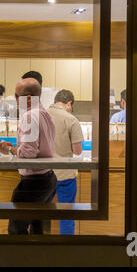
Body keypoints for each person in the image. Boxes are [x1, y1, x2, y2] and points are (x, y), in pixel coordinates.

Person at [0, 78, 57, 235]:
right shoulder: (45, 114)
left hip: (33, 184)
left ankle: (18, 259)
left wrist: (9, 150)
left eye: (16, 96)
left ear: (28, 98)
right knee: (37, 229)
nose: (15, 100)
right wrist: (15, 148)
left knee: (17, 229)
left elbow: (28, 153)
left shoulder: (29, 116)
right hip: (48, 178)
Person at [47, 89, 84, 235]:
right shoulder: (71, 119)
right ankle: (67, 249)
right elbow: (77, 151)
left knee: (40, 215)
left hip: (43, 173)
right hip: (65, 175)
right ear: (69, 103)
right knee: (66, 216)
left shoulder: (42, 115)